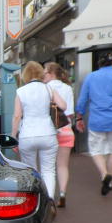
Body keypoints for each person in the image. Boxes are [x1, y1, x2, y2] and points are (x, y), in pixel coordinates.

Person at [75, 52, 112, 196]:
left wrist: (79, 118)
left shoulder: (90, 77)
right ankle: (110, 179)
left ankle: (104, 174)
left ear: (99, 63)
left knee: (96, 150)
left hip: (97, 120)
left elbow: (82, 100)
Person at [11, 61, 67, 200]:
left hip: (27, 135)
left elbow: (17, 116)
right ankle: (49, 201)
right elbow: (63, 106)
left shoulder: (20, 91)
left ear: (26, 74)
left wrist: (13, 136)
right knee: (48, 170)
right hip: (48, 134)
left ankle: (34, 200)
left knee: (30, 170)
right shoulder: (48, 89)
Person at [44, 62, 74, 208]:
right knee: (63, 166)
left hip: (49, 131)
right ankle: (62, 193)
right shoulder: (68, 88)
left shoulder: (46, 88)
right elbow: (70, 113)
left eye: (44, 72)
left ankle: (49, 196)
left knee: (48, 166)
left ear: (50, 73)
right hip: (66, 129)